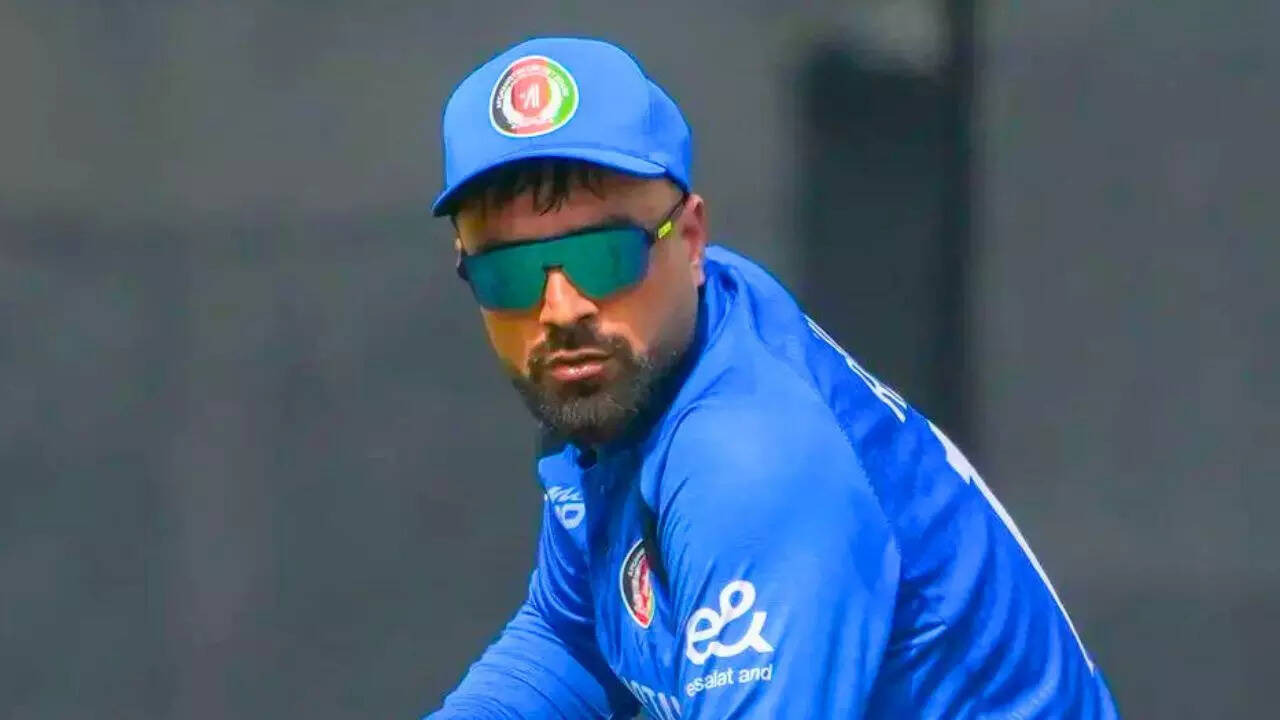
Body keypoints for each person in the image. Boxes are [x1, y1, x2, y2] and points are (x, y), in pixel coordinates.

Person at [424, 36, 1120, 719]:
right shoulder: (632, 365)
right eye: (509, 272)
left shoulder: (751, 463)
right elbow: (572, 642)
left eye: (604, 256)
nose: (560, 308)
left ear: (690, 241)